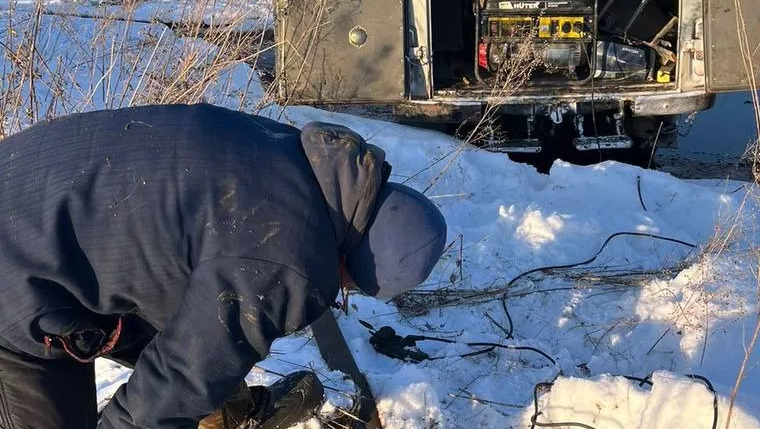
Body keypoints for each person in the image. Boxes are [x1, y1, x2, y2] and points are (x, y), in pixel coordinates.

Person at [0, 103, 448, 429]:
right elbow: (171, 389)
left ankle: (229, 411)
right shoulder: (289, 258)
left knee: (208, 338)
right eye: (350, 285)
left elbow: (207, 331)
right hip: (17, 277)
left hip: (33, 188)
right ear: (353, 267)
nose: (342, 290)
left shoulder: (305, 158)